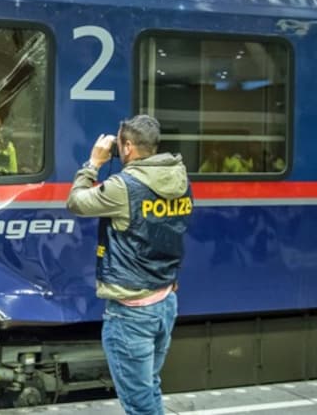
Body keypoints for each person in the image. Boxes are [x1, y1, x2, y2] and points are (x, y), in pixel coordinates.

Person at [66, 115, 193, 415]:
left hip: (131, 313)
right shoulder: (179, 177)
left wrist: (93, 163)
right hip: (165, 302)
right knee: (149, 388)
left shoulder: (124, 187)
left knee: (139, 405)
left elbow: (76, 202)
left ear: (127, 147)